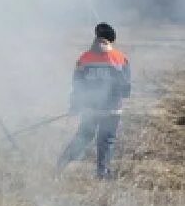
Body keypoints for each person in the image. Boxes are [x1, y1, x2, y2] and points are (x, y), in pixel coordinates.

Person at [56, 23, 131, 179]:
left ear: (96, 39)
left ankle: (61, 164)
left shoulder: (84, 58)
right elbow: (126, 89)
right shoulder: (120, 58)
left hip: (89, 109)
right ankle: (102, 174)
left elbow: (77, 85)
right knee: (106, 141)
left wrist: (75, 105)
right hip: (112, 110)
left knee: (83, 137)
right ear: (111, 41)